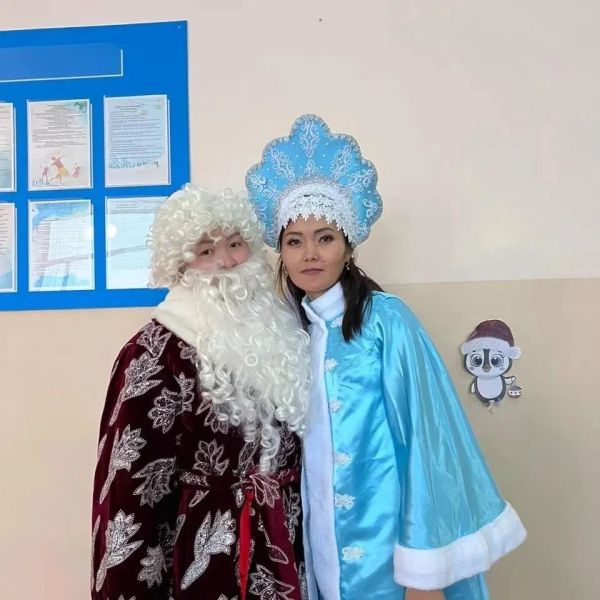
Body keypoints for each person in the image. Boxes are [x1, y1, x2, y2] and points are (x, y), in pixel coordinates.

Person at [246, 114, 527, 600]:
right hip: (317, 546)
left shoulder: (385, 321)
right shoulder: (288, 334)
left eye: (325, 237)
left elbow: (429, 441)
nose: (310, 254)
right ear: (282, 254)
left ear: (348, 246)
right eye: (295, 241)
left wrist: (426, 572)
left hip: (387, 551)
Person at [91, 184, 311, 599]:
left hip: (288, 549)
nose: (227, 261)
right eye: (206, 251)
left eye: (235, 244)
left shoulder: (283, 333)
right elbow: (128, 494)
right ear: (180, 266)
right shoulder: (153, 354)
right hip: (206, 566)